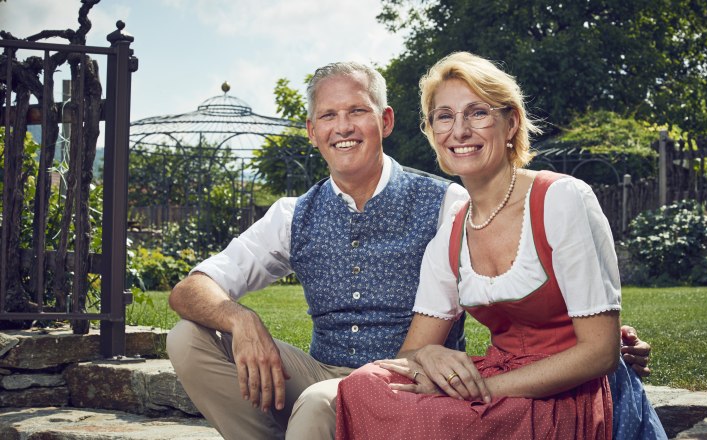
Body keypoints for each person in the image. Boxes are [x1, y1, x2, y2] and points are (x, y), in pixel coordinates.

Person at [166, 60, 653, 440]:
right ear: (312, 131)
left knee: (321, 402)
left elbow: (537, 296)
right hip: (341, 370)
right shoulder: (294, 213)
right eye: (328, 116)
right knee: (188, 338)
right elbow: (190, 289)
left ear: (386, 120)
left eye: (357, 111)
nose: (344, 127)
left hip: (400, 374)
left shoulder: (451, 202)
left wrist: (602, 334)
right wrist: (240, 319)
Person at [335, 52, 666, 439]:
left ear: (512, 123)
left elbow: (600, 353)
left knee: (433, 423)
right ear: (431, 131)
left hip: (567, 392)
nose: (458, 131)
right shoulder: (452, 232)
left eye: (477, 113)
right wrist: (429, 354)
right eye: (444, 117)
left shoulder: (560, 199)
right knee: (363, 384)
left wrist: (483, 393)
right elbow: (409, 354)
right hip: (499, 379)